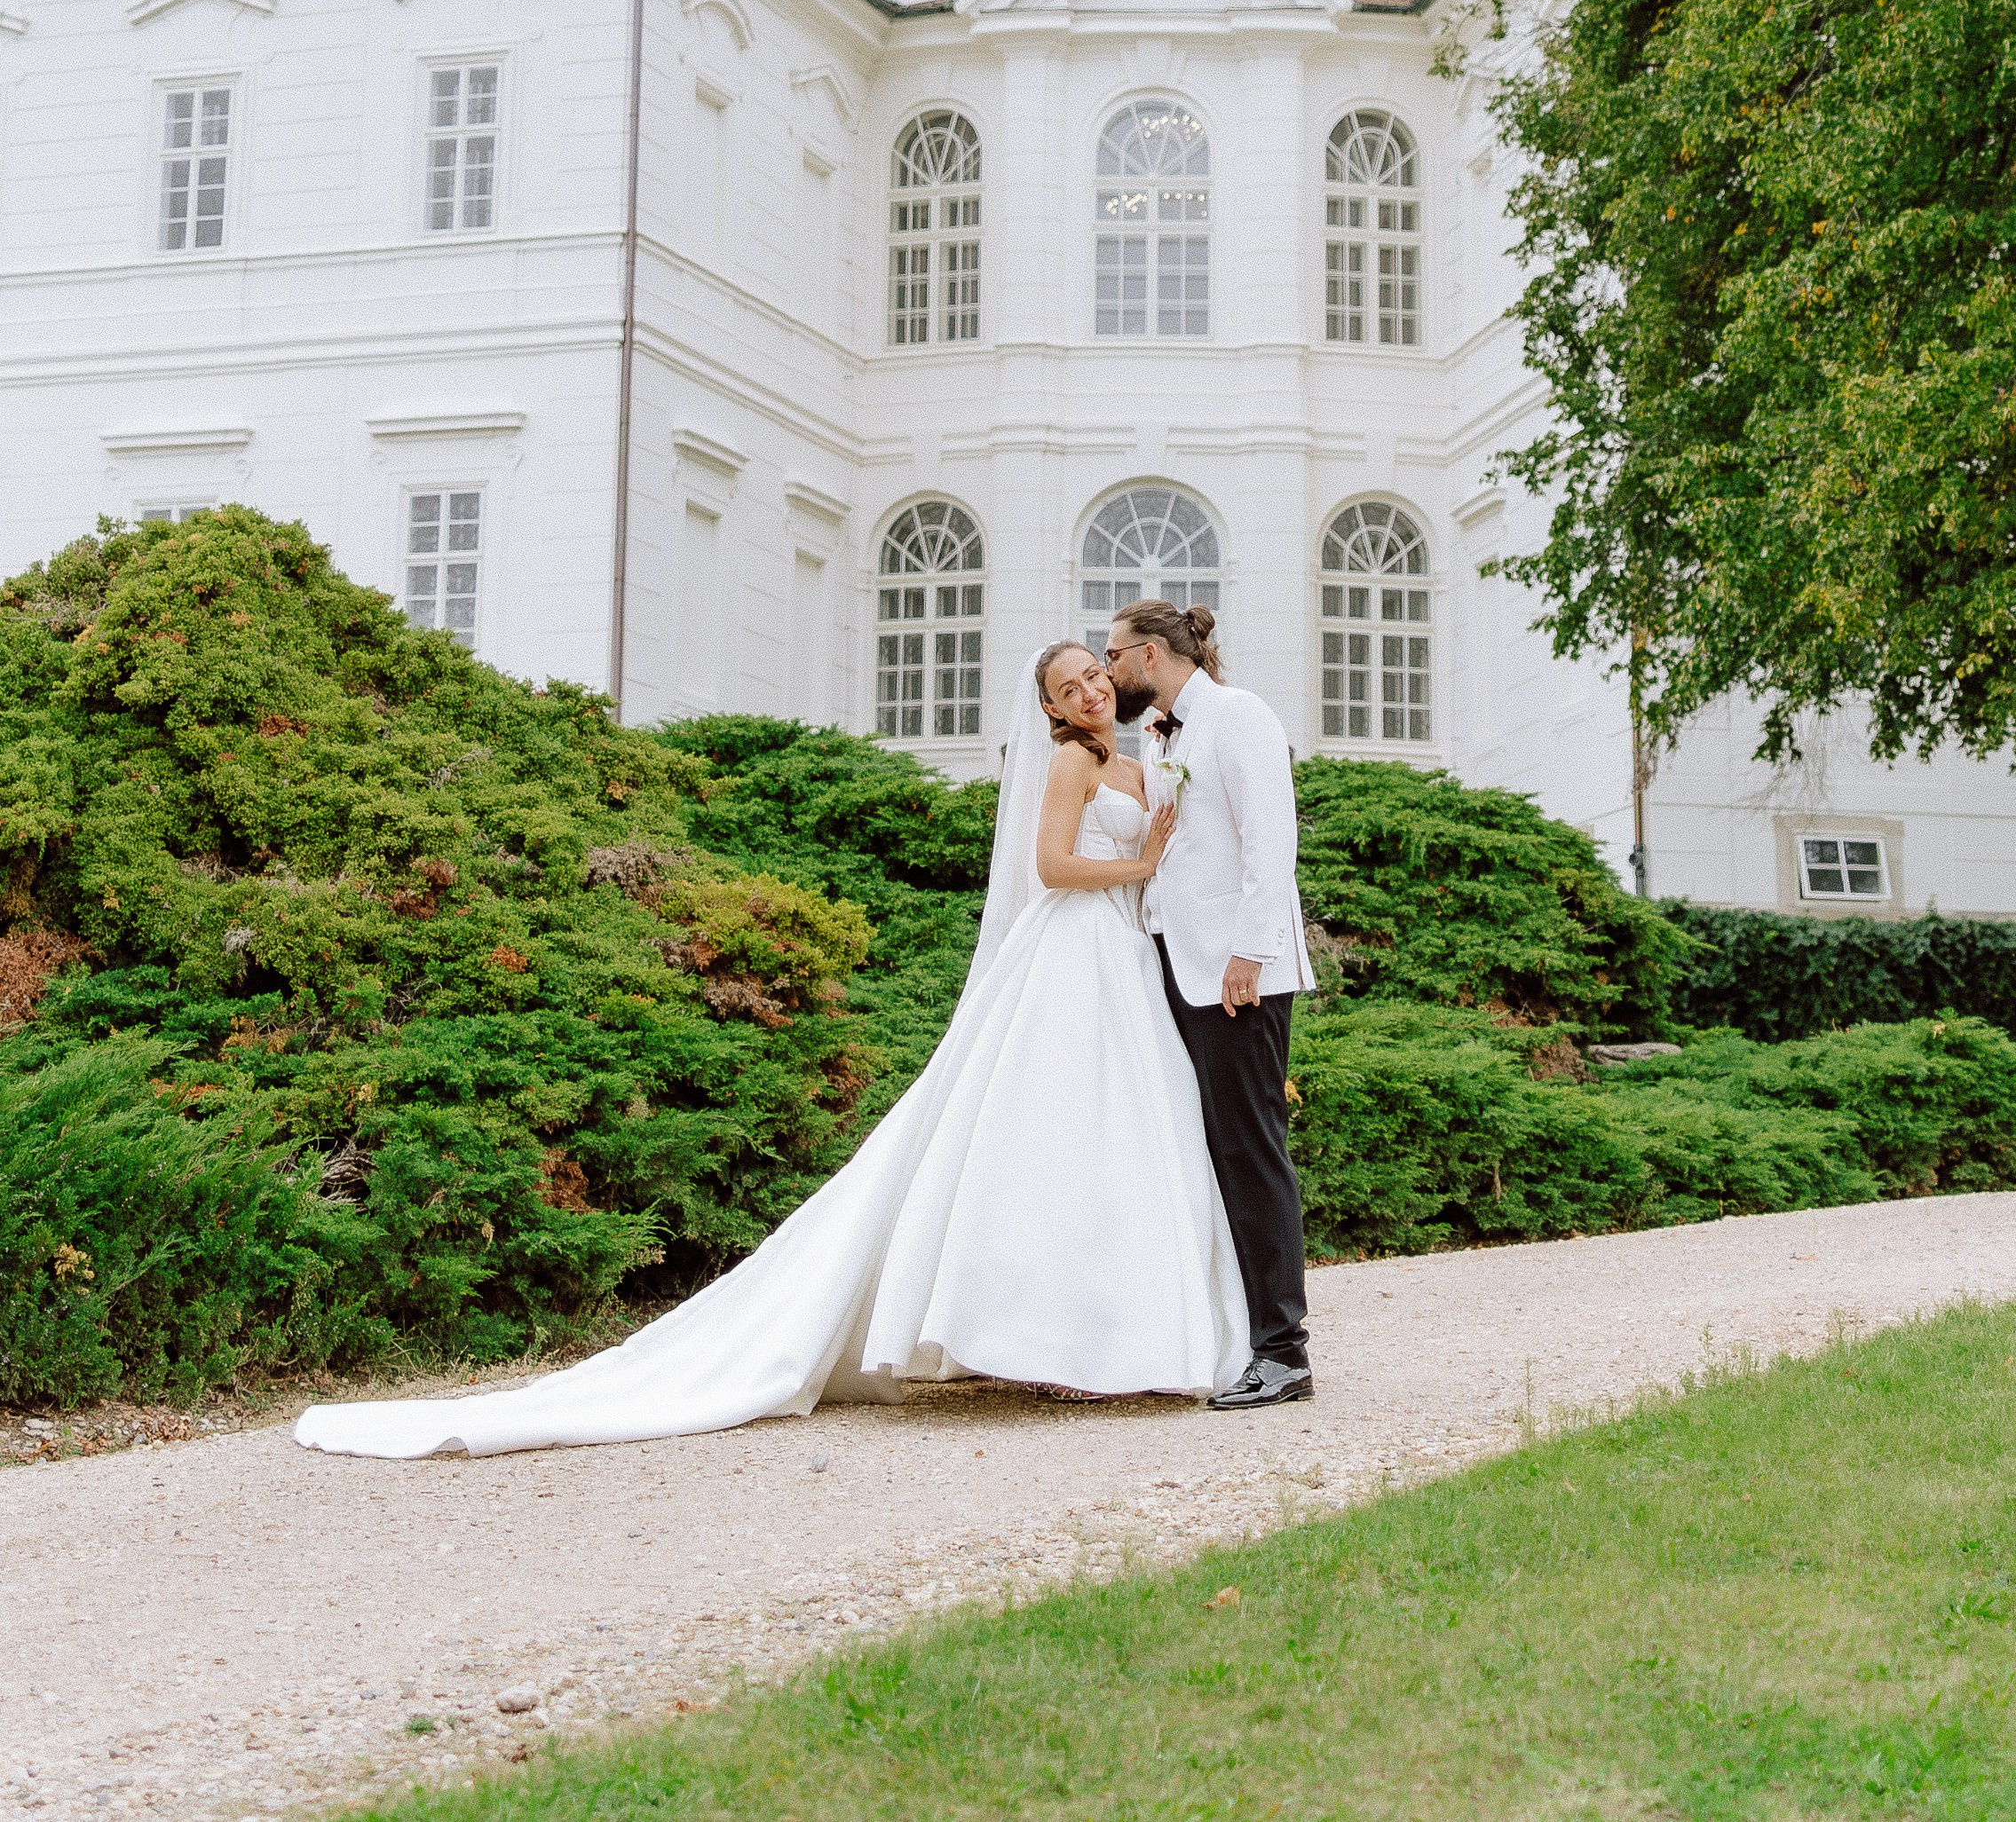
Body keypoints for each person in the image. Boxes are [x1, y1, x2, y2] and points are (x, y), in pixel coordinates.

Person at [292, 643, 1249, 1458]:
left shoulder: (1133, 764)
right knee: (1049, 1132)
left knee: (1122, 1141)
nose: (1087, 690)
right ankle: (1060, 1344)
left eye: (1094, 675)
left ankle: (1115, 1337)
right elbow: (1051, 867)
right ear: (1047, 705)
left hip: (1124, 958)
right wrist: (1140, 862)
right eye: (1069, 684)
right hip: (1070, 955)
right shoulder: (1072, 767)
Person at [1107, 601, 1316, 1410]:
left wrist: (1249, 956)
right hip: (1179, 966)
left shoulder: (1238, 715)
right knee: (1203, 1153)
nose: (1109, 668)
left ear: (1151, 654)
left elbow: (1272, 838)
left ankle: (1282, 1351)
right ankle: (1231, 1337)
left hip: (1237, 976)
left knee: (1249, 1149)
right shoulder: (1161, 734)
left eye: (1114, 654)